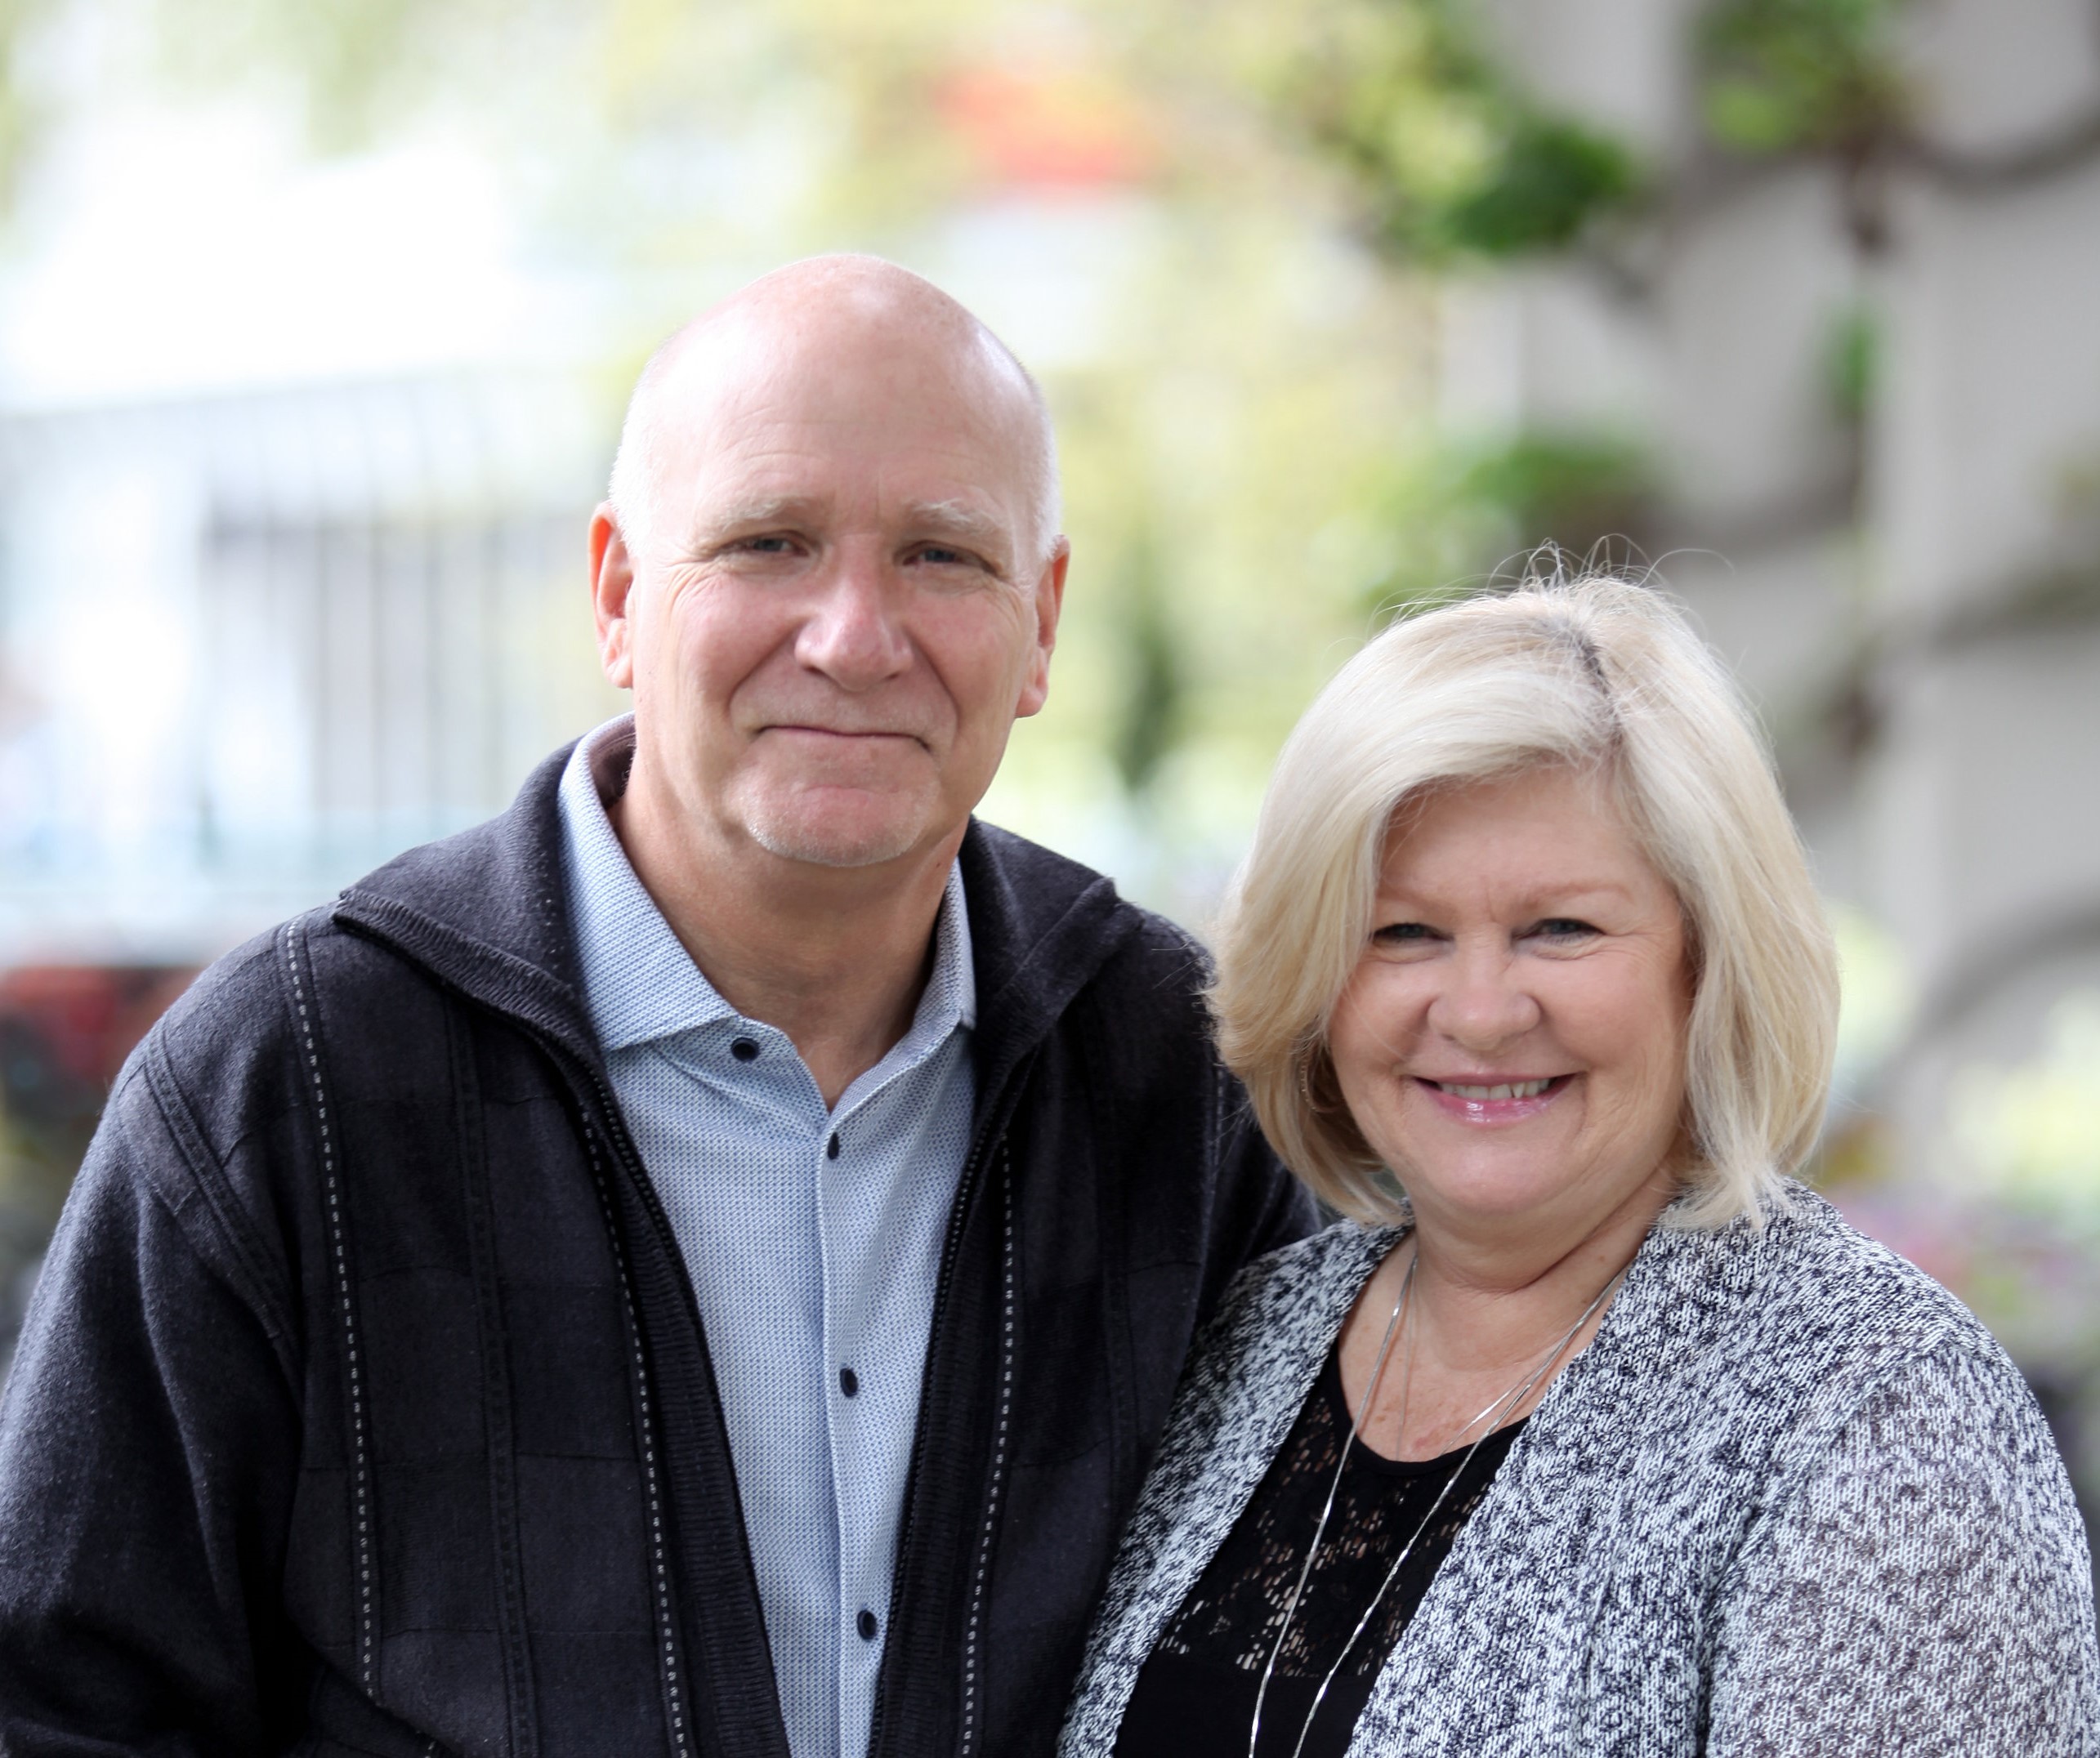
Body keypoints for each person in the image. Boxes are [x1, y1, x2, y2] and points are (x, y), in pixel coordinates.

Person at [0, 257, 1314, 1758]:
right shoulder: (288, 1078)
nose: (854, 637)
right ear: (619, 594)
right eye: (769, 543)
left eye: (943, 556)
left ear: (1045, 620)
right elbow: (61, 1710)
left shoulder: (1176, 1077)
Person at [1061, 576, 2100, 1757]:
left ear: (1707, 964)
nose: (1481, 1012)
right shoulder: (1249, 1337)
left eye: (1560, 928)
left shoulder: (1880, 1414)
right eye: (1402, 933)